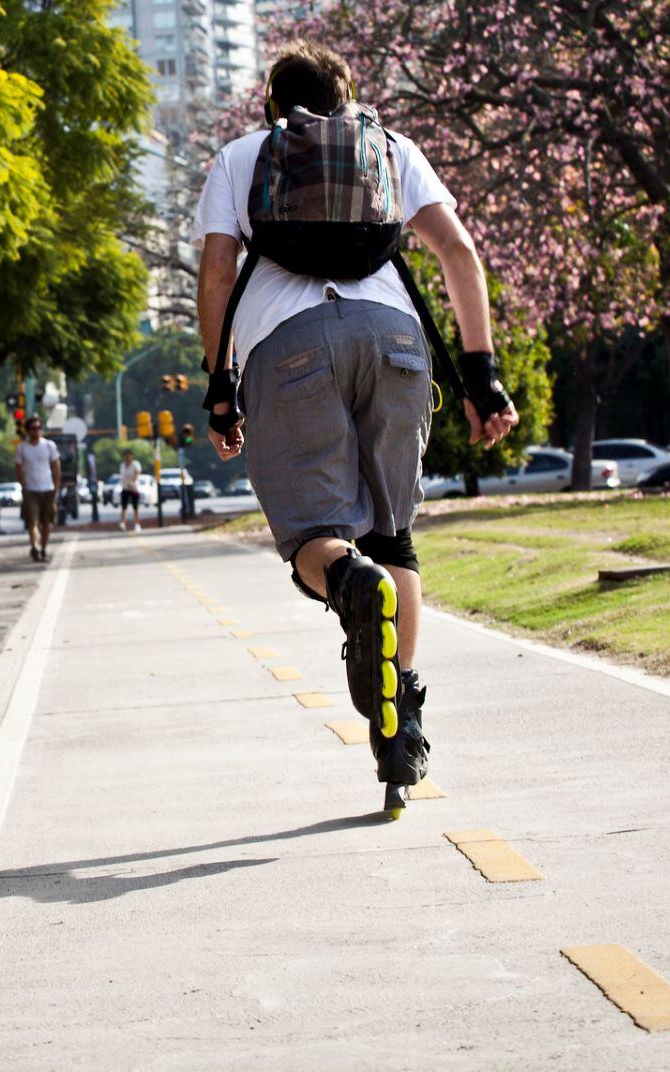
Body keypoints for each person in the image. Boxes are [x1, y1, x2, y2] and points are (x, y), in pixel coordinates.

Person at [196, 40, 518, 808]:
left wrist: (220, 383)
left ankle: (347, 582)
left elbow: (215, 272)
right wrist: (480, 372)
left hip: (289, 347)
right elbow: (459, 252)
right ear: (346, 99)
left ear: (273, 106)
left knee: (316, 534)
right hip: (397, 341)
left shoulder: (243, 156)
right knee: (393, 533)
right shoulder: (392, 148)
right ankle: (399, 721)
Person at [14, 414, 62, 562]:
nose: (37, 431)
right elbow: (18, 469)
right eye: (33, 428)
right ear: (28, 431)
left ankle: (43, 548)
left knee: (47, 522)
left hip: (47, 488)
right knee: (32, 522)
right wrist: (24, 486)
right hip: (31, 490)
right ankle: (34, 546)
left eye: (39, 428)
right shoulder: (22, 448)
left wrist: (56, 487)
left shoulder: (49, 445)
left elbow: (56, 467)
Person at [117, 449, 143, 531]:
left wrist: (133, 481)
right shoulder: (122, 465)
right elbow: (122, 476)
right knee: (123, 507)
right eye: (126, 456)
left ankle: (137, 524)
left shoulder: (135, 464)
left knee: (135, 508)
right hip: (125, 488)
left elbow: (138, 472)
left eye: (129, 455)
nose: (127, 457)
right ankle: (123, 523)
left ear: (132, 456)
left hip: (134, 488)